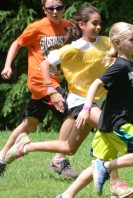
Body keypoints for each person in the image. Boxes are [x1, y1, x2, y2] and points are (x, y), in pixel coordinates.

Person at [5, 6, 133, 198]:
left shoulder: (107, 43)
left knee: (69, 148)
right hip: (80, 102)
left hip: (97, 102)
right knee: (108, 128)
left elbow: (121, 59)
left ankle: (25, 146)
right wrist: (52, 90)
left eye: (100, 23)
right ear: (82, 25)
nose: (99, 27)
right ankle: (115, 184)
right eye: (94, 23)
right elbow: (44, 64)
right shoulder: (73, 48)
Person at [56, 21, 133, 198]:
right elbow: (95, 84)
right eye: (131, 40)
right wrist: (86, 109)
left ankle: (65, 196)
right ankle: (105, 168)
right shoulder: (119, 66)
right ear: (118, 43)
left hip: (109, 124)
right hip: (116, 123)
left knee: (95, 166)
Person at [0, 0, 79, 179]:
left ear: (64, 8)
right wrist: (7, 65)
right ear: (44, 10)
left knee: (30, 124)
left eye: (59, 7)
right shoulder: (37, 27)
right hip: (41, 81)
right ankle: (59, 159)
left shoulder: (69, 27)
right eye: (50, 8)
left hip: (53, 80)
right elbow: (17, 43)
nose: (55, 11)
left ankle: (1, 159)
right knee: (73, 112)